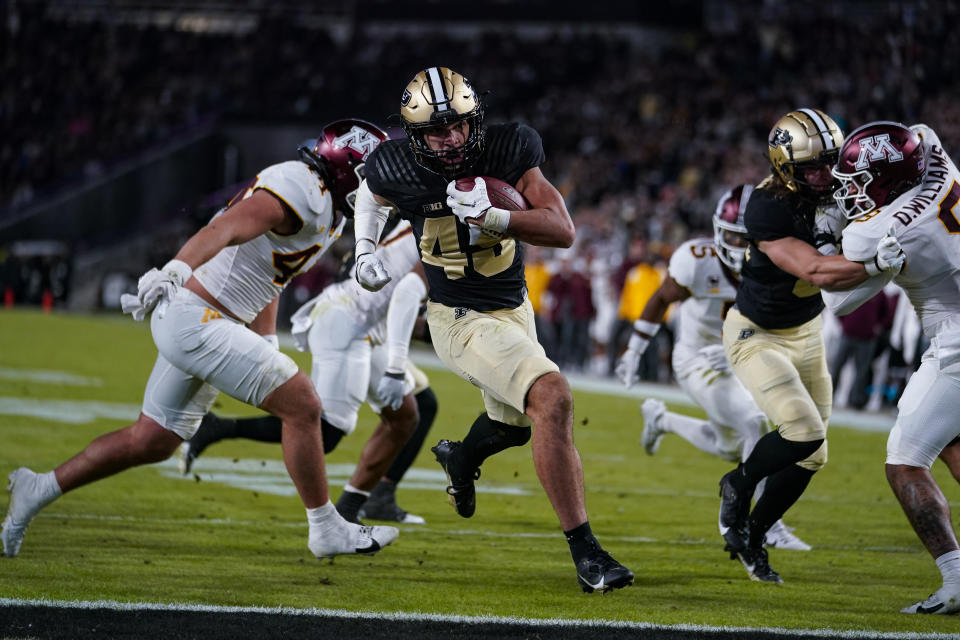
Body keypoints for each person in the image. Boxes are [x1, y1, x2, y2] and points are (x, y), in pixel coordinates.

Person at [1, 119, 400, 560]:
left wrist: (266, 338)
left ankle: (36, 489)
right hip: (198, 318)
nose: (381, 187)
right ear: (345, 167)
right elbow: (225, 228)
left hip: (208, 322)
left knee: (151, 441)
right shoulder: (302, 185)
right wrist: (176, 267)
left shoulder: (331, 213)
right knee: (304, 404)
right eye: (372, 175)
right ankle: (326, 528)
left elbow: (270, 271)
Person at [350, 66, 633, 593]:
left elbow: (563, 230)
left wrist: (496, 217)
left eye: (459, 125)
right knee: (554, 398)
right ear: (415, 136)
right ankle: (587, 553)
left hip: (514, 308)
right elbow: (370, 192)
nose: (452, 138)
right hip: (457, 317)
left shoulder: (509, 148)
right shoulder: (396, 165)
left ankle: (461, 457)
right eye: (437, 131)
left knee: (513, 425)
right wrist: (364, 249)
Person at [716, 108, 905, 583]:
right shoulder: (766, 206)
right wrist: (874, 265)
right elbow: (815, 271)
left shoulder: (844, 183)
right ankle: (736, 485)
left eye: (830, 162)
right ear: (784, 167)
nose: (825, 175)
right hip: (756, 333)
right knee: (802, 431)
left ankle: (755, 537)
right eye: (812, 168)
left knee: (813, 454)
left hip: (807, 333)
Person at [179, 220, 434, 525]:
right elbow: (407, 297)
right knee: (326, 432)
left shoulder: (434, 215)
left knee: (406, 415)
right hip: (348, 322)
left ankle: (355, 508)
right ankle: (217, 428)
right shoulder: (451, 229)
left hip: (362, 322)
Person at [615, 184, 811, 551]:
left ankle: (662, 420)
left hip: (744, 355)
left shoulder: (778, 264)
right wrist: (634, 350)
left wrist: (747, 341)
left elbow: (787, 322)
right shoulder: (697, 259)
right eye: (732, 238)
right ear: (718, 231)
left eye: (747, 240)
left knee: (730, 447)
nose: (739, 248)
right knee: (755, 425)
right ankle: (765, 524)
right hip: (697, 358)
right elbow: (660, 299)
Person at [822, 121, 960, 614]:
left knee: (905, 460)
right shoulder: (933, 153)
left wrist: (851, 255)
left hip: (957, 336)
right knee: (946, 440)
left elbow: (834, 302)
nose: (849, 191)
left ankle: (955, 581)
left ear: (887, 179)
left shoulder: (876, 231)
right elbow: (916, 130)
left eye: (857, 181)